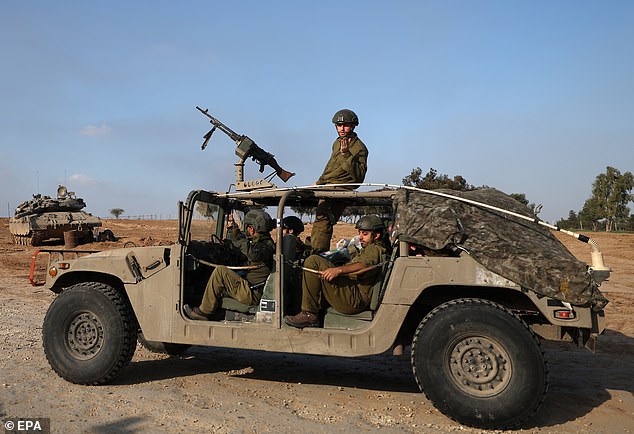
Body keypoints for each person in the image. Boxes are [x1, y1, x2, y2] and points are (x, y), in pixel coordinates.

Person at [284, 215, 387, 328]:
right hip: (354, 293)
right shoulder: (371, 248)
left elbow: (363, 266)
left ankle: (310, 314)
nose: (360, 237)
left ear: (376, 235)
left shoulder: (375, 248)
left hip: (355, 298)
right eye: (360, 233)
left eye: (365, 234)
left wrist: (338, 270)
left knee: (313, 262)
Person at [184, 209, 275, 320]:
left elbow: (253, 255)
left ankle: (203, 312)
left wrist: (238, 239)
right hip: (250, 287)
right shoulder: (261, 243)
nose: (246, 230)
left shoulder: (266, 245)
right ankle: (201, 302)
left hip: (252, 293)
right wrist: (234, 233)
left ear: (252, 229)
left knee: (220, 272)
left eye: (247, 227)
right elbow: (246, 252)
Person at [310, 109, 368, 253]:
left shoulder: (359, 148)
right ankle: (312, 251)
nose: (342, 128)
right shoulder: (337, 143)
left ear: (353, 126)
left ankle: (317, 255)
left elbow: (358, 177)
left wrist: (346, 154)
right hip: (328, 184)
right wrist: (319, 182)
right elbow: (331, 167)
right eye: (339, 125)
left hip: (341, 188)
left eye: (346, 125)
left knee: (323, 222)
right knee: (319, 221)